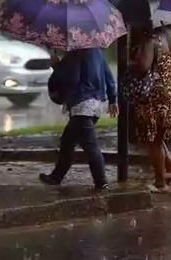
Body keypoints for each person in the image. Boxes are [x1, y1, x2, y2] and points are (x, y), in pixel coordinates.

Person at [39, 48, 117, 189]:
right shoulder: (97, 50)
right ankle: (56, 177)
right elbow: (108, 76)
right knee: (68, 141)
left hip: (82, 104)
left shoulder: (77, 52)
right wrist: (112, 100)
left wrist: (57, 66)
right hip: (95, 103)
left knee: (90, 146)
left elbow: (71, 78)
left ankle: (101, 182)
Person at [128, 23, 171, 193]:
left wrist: (131, 60)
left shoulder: (151, 40)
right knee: (158, 134)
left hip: (155, 92)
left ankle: (160, 182)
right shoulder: (169, 35)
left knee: (152, 139)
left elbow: (144, 66)